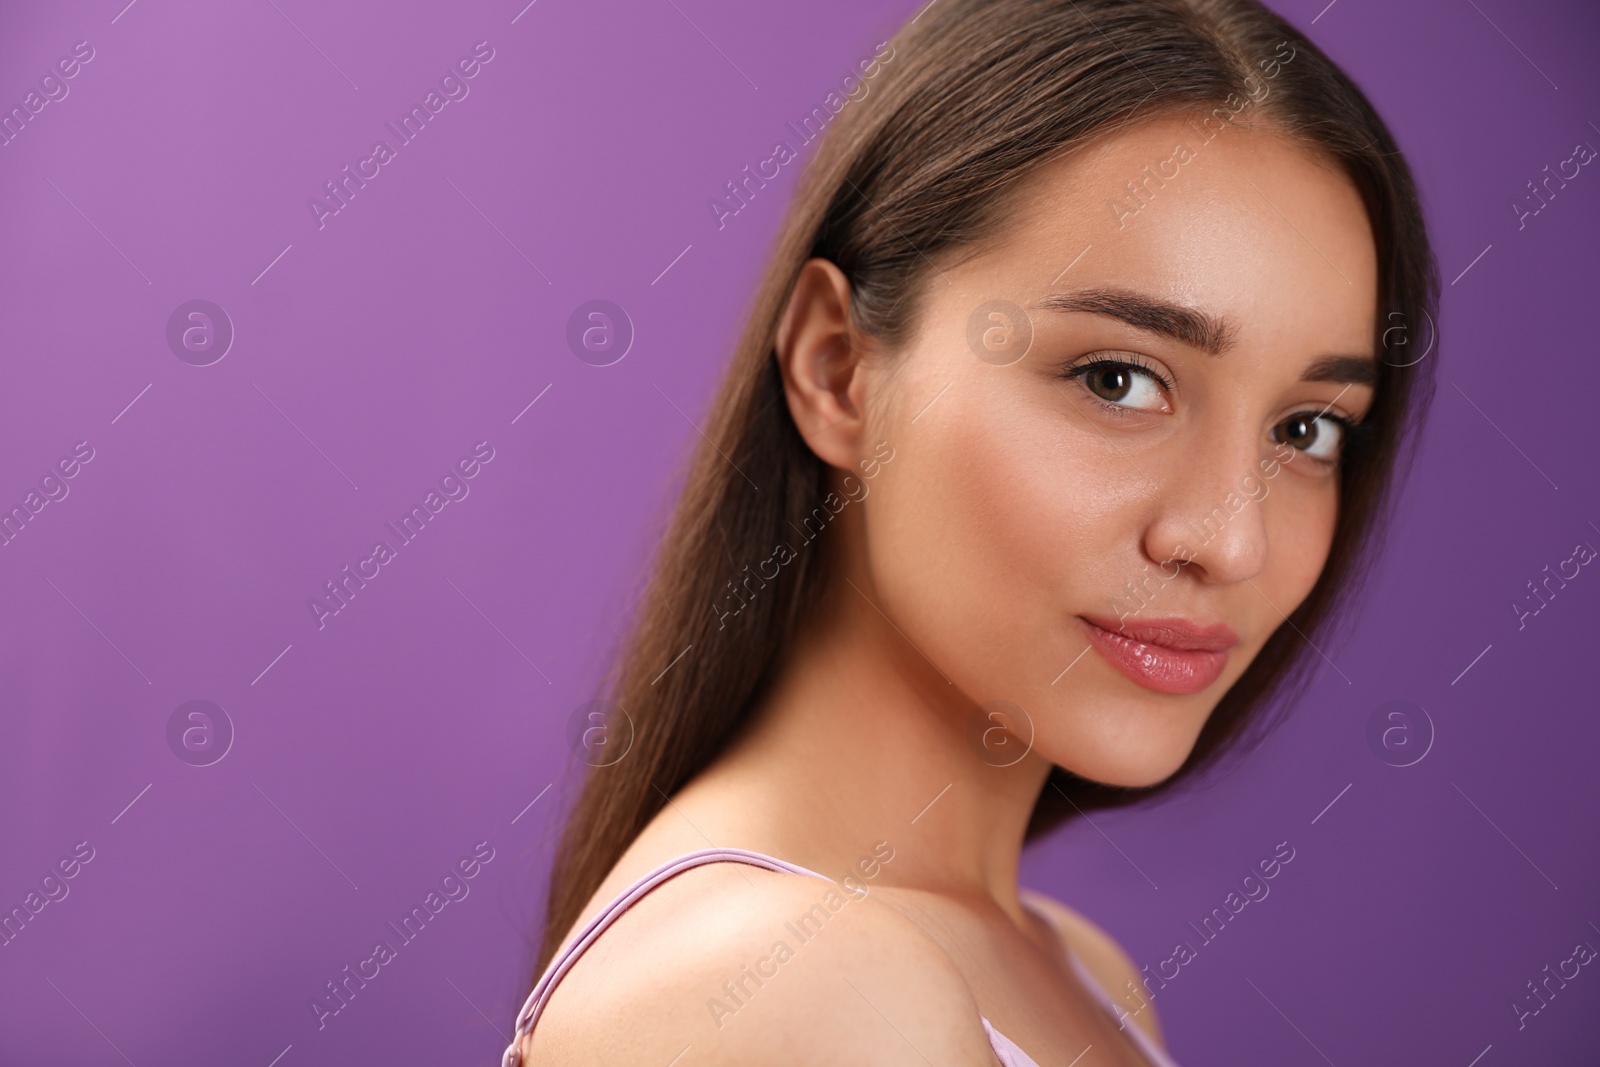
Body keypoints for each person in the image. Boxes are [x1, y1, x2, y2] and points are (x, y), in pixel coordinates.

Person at [506, 0, 1437, 1062]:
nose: (1229, 542)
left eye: (1305, 428)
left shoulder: (1080, 971)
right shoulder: (793, 987)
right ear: (837, 370)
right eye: (1116, 379)